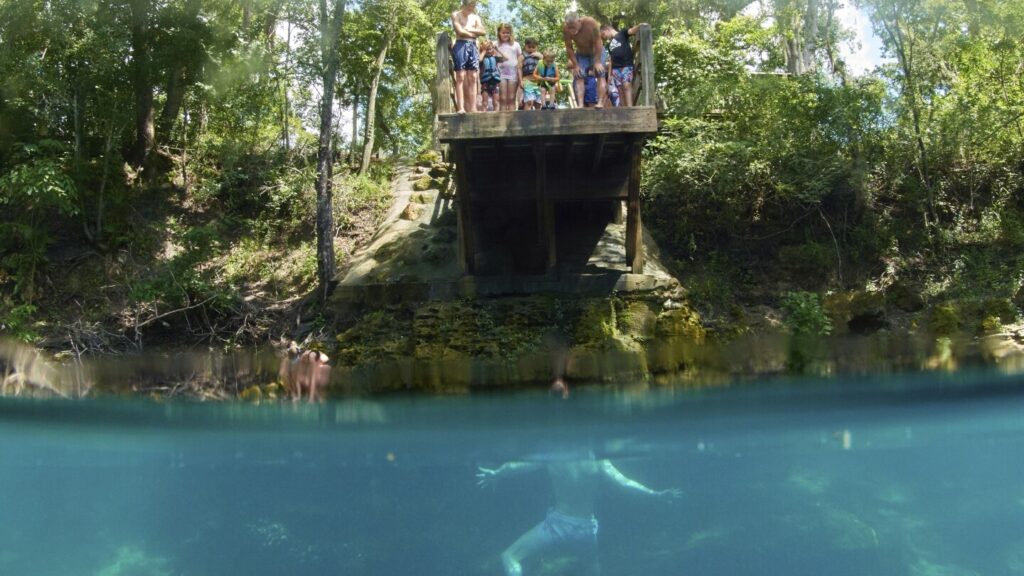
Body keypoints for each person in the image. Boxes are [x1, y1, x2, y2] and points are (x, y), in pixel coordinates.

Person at [478, 446, 680, 575]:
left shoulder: (553, 455)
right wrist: (655, 493)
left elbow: (519, 466)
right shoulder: (598, 460)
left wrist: (497, 474)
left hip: (556, 525)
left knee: (510, 556)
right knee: (591, 566)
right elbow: (624, 483)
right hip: (585, 530)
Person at [562, 12, 605, 109]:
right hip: (581, 54)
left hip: (597, 52)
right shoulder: (566, 29)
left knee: (600, 74)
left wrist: (597, 62)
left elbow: (598, 42)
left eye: (573, 26)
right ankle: (580, 104)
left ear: (579, 21)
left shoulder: (591, 23)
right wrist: (576, 65)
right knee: (579, 75)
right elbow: (569, 47)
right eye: (569, 27)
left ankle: (600, 102)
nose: (571, 30)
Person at [451, 0, 487, 113]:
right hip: (461, 44)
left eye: (474, 5)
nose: (473, 7)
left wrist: (470, 30)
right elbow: (460, 31)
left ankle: (473, 108)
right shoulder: (455, 15)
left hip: (473, 46)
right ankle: (461, 107)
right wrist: (474, 33)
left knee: (473, 77)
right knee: (460, 76)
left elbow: (483, 31)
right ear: (464, 4)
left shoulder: (475, 17)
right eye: (471, 4)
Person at [600, 23, 645, 107]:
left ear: (607, 29)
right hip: (615, 69)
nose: (604, 37)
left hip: (626, 65)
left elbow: (632, 30)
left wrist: (640, 25)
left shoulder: (622, 33)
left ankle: (630, 107)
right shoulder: (609, 45)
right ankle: (624, 110)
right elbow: (611, 60)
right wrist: (609, 75)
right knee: (620, 89)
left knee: (626, 85)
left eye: (603, 34)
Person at [495, 23, 522, 112]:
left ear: (511, 33)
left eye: (508, 32)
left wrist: (520, 74)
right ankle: (503, 119)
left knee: (511, 97)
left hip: (513, 73)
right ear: (499, 33)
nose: (505, 34)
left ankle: (512, 119)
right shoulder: (495, 44)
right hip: (500, 73)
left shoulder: (516, 45)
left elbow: (520, 58)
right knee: (502, 98)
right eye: (503, 32)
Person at [479, 41, 503, 112]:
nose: (489, 51)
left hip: (494, 82)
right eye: (487, 49)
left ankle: (496, 117)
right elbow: (479, 60)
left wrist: (497, 50)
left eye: (490, 49)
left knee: (496, 102)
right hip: (485, 83)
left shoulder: (495, 58)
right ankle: (484, 117)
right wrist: (483, 51)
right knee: (485, 102)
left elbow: (505, 58)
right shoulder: (482, 58)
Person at [520, 39, 543, 110]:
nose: (531, 49)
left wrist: (541, 57)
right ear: (525, 46)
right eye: (529, 47)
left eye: (533, 47)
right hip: (527, 81)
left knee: (538, 103)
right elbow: (519, 69)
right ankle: (527, 120)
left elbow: (548, 65)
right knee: (529, 102)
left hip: (538, 82)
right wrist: (521, 81)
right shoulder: (522, 56)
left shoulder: (540, 56)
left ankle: (539, 120)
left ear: (537, 47)